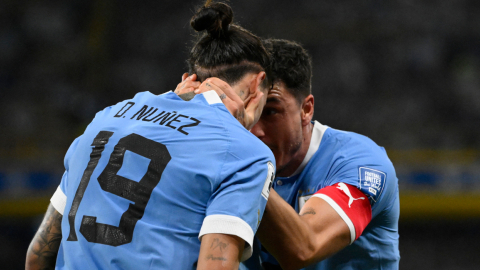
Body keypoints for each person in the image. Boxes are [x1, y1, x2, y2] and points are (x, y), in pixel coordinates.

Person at [25, 2, 276, 270]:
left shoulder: (106, 118)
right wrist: (238, 133)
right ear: (256, 85)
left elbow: (38, 255)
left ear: (188, 77)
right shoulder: (245, 152)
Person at [176, 39, 400, 269]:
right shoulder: (221, 158)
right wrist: (177, 125)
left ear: (306, 109)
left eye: (271, 111)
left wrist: (238, 153)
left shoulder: (362, 164)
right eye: (241, 112)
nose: (252, 129)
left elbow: (304, 248)